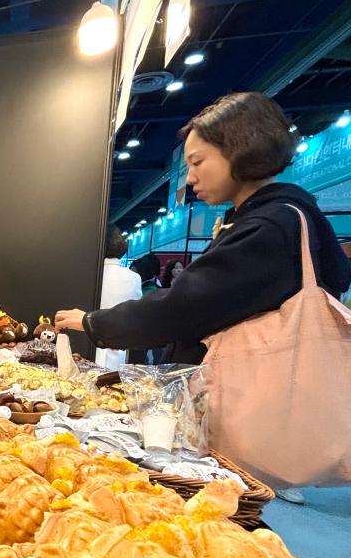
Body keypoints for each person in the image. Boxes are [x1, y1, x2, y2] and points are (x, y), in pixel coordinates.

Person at [55, 92, 351, 499]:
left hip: (247, 400)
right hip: (258, 404)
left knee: (222, 509)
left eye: (198, 162)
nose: (190, 177)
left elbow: (186, 305)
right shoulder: (285, 218)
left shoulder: (270, 226)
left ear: (242, 150)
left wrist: (93, 322)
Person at [95, 226, 142, 370]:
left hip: (83, 346)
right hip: (116, 353)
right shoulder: (133, 278)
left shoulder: (88, 274)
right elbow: (136, 318)